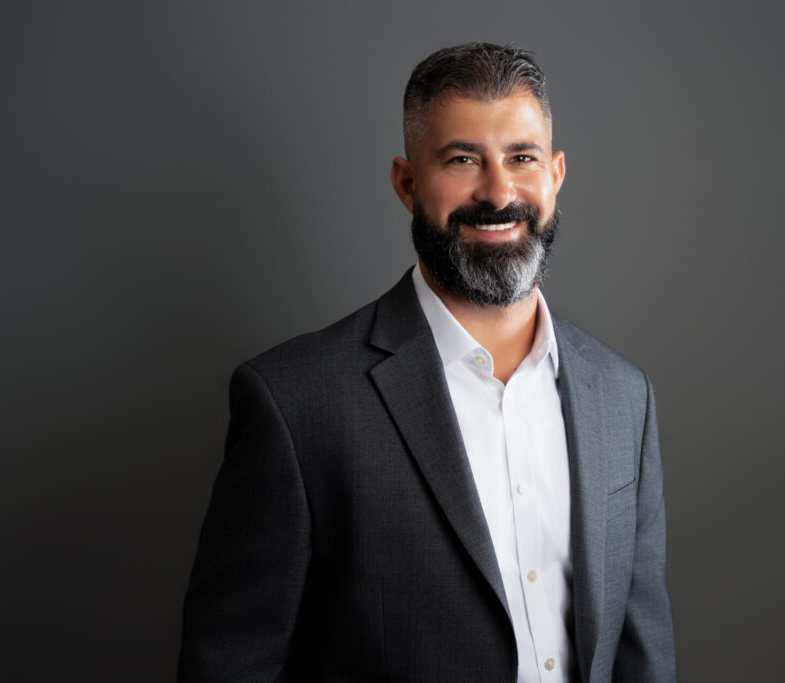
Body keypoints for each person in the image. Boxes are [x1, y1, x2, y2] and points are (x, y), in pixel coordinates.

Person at [179, 42, 676, 683]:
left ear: (554, 175)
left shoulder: (622, 396)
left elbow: (643, 654)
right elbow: (230, 666)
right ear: (408, 184)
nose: (498, 193)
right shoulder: (294, 402)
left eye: (521, 157)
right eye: (464, 159)